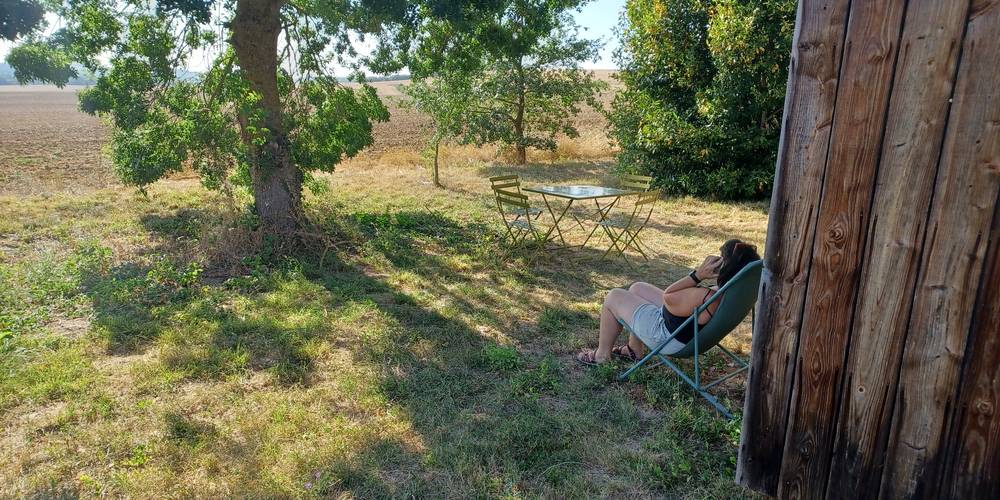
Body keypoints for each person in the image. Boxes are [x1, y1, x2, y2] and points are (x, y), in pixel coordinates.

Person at [576, 239, 761, 365]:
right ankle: (633, 350)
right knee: (637, 288)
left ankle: (601, 356)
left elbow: (669, 296)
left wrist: (697, 275)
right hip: (685, 330)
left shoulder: (705, 297)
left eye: (721, 258)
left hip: (666, 336)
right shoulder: (731, 292)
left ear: (725, 266)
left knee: (614, 296)